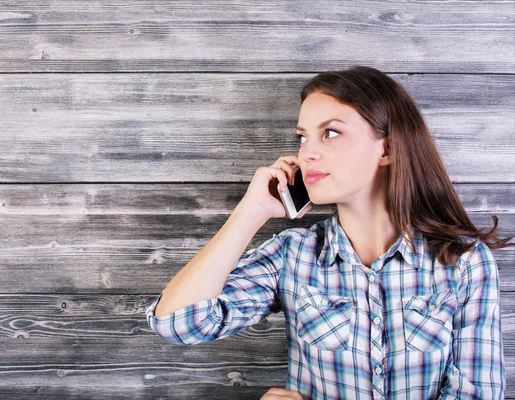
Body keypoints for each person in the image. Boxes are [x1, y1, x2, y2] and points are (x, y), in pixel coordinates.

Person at [145, 65, 512, 399]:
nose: (308, 154)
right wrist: (252, 211)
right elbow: (178, 323)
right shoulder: (292, 255)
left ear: (387, 148)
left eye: (331, 133)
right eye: (303, 138)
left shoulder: (462, 262)